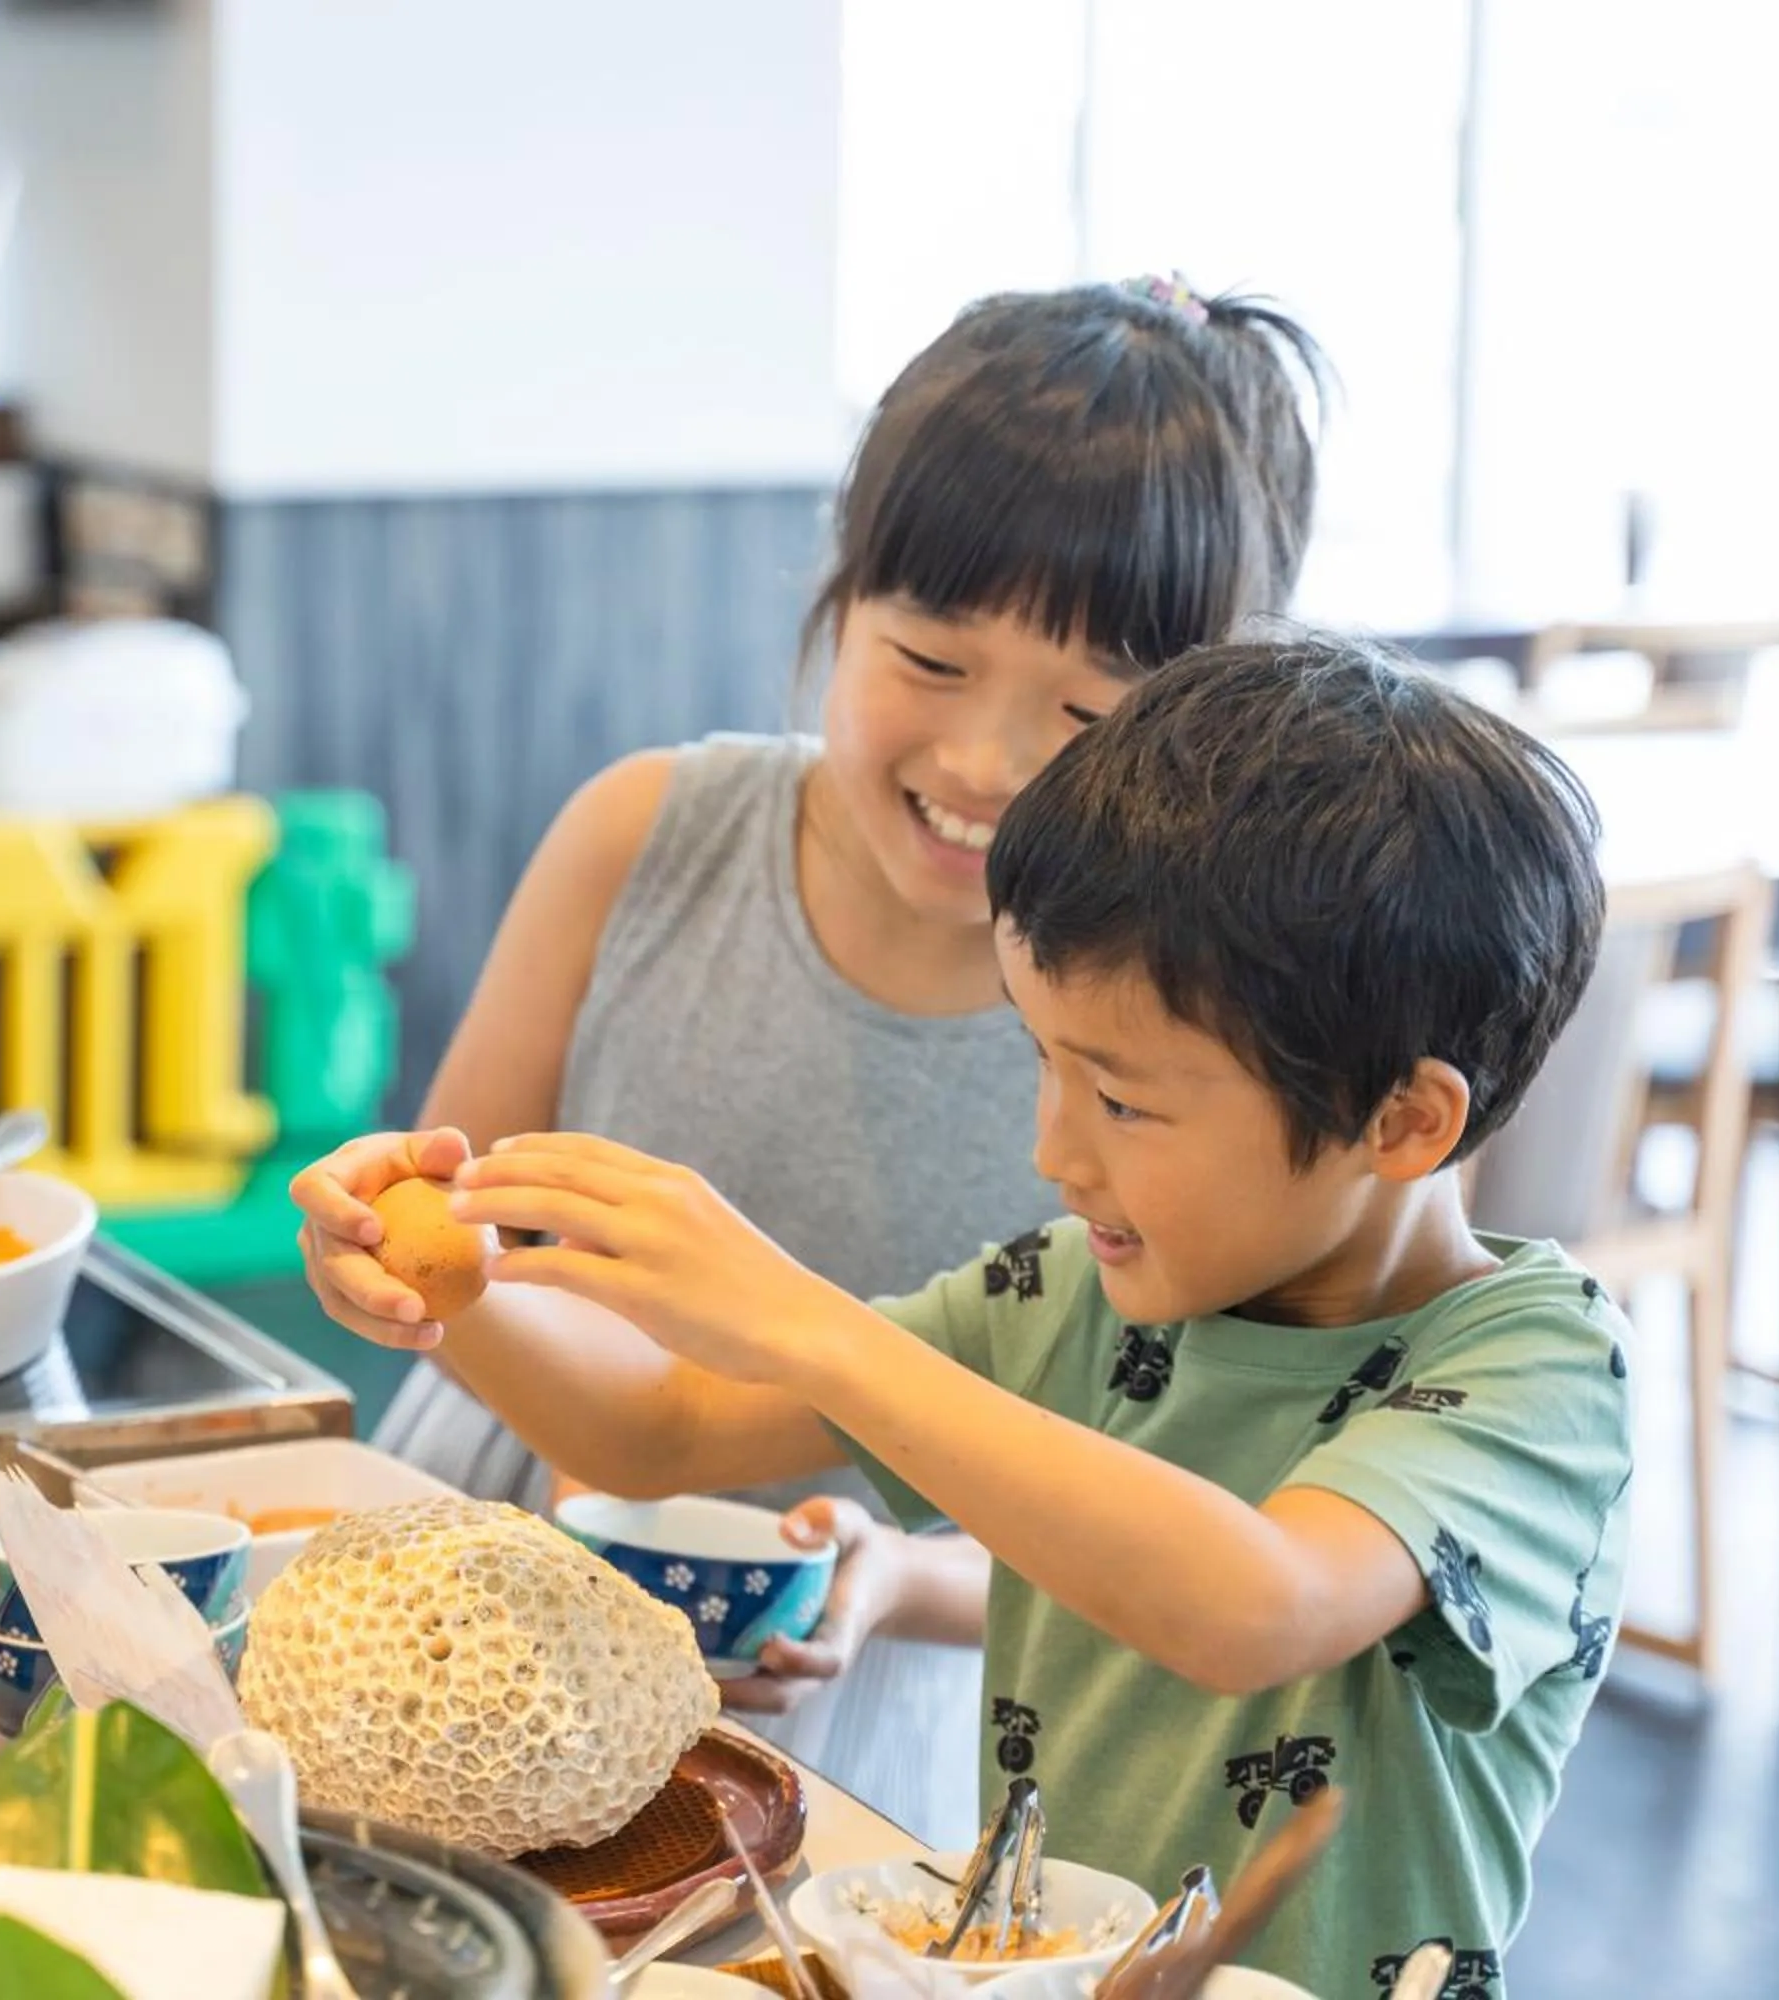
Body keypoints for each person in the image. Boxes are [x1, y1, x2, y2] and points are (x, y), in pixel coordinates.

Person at [324, 635, 1629, 1998]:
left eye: (1123, 1099)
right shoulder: (1072, 1288)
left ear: (1403, 1120)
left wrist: (805, 1317)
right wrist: (454, 1292)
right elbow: (658, 1430)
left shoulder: (1535, 1366)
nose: (1054, 1150)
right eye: (1042, 1062)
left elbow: (1260, 1603)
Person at [294, 275, 1327, 1846]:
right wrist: (378, 1248)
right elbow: (457, 1223)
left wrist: (900, 1576)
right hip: (486, 1575)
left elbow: (1173, 1521)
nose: (984, 761)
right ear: (839, 606)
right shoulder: (645, 835)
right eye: (926, 661)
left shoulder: (1192, 1032)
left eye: (1090, 710)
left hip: (869, 1683)